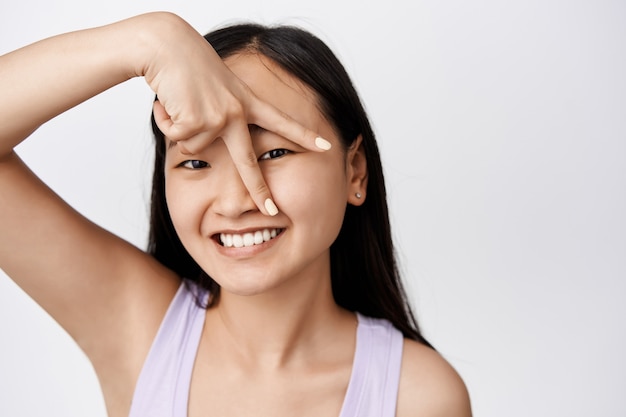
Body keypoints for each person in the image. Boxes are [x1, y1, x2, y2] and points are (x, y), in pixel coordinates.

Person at [0, 11, 471, 417]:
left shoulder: (418, 396)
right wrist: (149, 39)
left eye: (273, 153)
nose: (235, 201)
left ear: (354, 171)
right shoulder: (136, 326)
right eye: (196, 161)